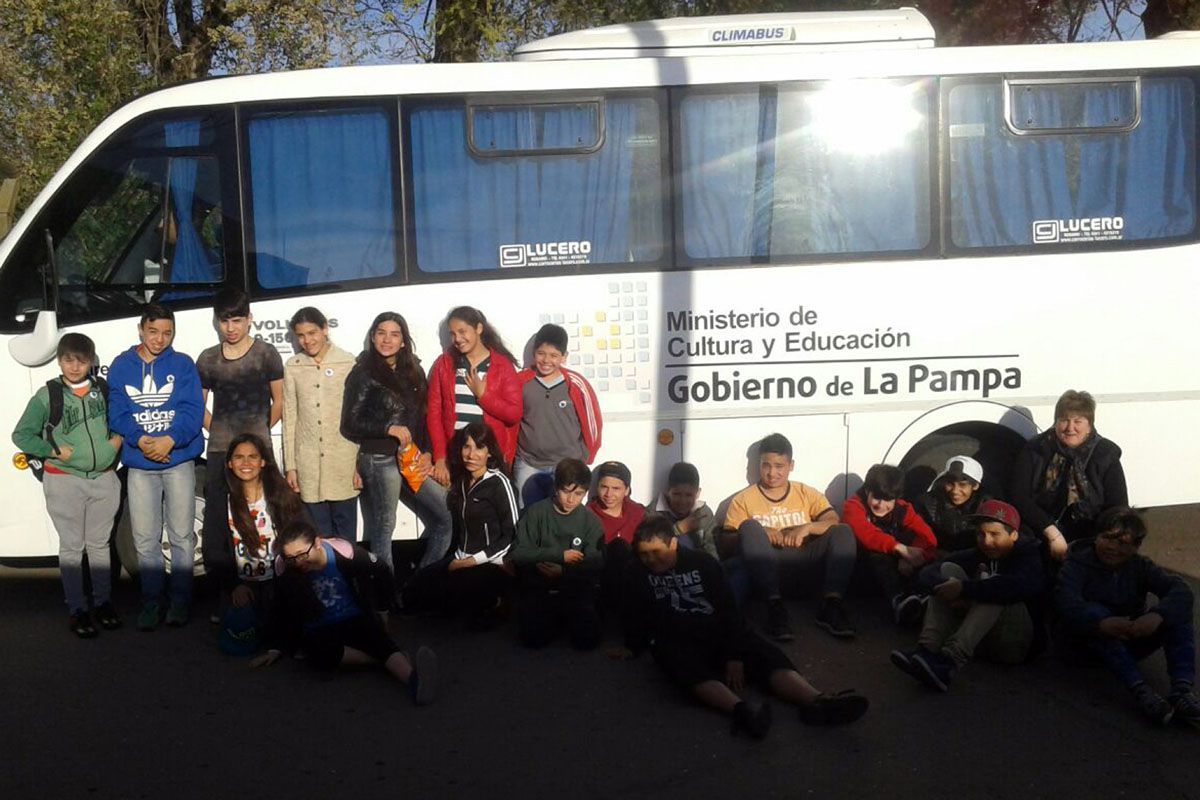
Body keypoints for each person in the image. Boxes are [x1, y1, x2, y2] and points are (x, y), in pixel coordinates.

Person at [611, 516, 869, 739]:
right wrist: (632, 646)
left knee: (765, 654)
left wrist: (733, 655)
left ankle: (818, 701)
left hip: (718, 630)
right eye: (644, 554)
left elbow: (728, 609)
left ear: (673, 544)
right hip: (677, 638)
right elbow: (634, 611)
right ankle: (743, 711)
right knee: (674, 660)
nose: (650, 560)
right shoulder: (636, 571)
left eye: (656, 552)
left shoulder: (703, 563)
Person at [250, 520, 438, 705]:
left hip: (353, 616)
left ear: (317, 542)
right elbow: (280, 606)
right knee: (315, 652)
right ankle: (381, 659)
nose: (298, 562)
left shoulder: (342, 552)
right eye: (291, 558)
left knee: (376, 637)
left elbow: (382, 570)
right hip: (318, 628)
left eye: (302, 554)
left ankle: (414, 682)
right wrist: (275, 647)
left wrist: (382, 609)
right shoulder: (284, 566)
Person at [11, 333, 122, 637]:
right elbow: (22, 435)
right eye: (68, 360)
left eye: (81, 361)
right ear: (59, 361)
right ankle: (77, 609)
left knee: (99, 545)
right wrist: (53, 451)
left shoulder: (103, 389)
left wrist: (116, 442)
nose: (74, 367)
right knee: (72, 548)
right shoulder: (48, 395)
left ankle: (103, 603)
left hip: (104, 478)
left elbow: (120, 420)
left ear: (90, 362)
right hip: (63, 480)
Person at [108, 303, 205, 630]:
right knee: (145, 539)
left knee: (182, 536)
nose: (159, 339)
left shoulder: (183, 364)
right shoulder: (122, 366)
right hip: (140, 465)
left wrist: (170, 440)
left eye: (167, 333)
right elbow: (117, 411)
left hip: (178, 461)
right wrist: (142, 440)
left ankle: (180, 602)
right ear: (140, 329)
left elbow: (192, 411)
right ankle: (151, 603)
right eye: (153, 331)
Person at [1055, 507, 1198, 727]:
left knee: (1177, 613)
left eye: (1123, 543)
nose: (1113, 547)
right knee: (1095, 611)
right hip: (1084, 643)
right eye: (1107, 538)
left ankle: (1182, 690)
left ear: (1135, 547)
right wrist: (1101, 623)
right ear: (1096, 537)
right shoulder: (1075, 565)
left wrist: (1158, 615)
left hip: (1128, 636)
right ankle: (1140, 690)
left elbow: (1180, 590)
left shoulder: (1140, 566)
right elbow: (1066, 603)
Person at [890, 500, 1043, 692]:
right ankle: (927, 650)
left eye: (995, 534)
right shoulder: (980, 553)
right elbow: (930, 572)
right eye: (981, 534)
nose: (986, 541)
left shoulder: (1029, 555)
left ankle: (950, 662)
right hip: (983, 640)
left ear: (1013, 535)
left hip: (1016, 642)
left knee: (994, 588)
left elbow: (1019, 587)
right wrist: (954, 590)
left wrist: (965, 590)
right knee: (948, 571)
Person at [720, 433, 858, 642]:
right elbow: (727, 543)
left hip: (806, 563)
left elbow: (832, 520)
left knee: (843, 530)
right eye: (766, 465)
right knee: (749, 526)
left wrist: (807, 528)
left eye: (779, 466)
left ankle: (831, 605)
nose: (772, 473)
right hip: (768, 569)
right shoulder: (743, 499)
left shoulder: (805, 492)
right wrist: (761, 532)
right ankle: (774, 609)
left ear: (791, 465)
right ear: (758, 465)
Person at [341, 312, 451, 573]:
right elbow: (350, 422)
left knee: (445, 518)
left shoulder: (414, 370)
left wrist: (428, 452)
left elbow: (425, 415)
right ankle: (385, 590)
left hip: (411, 458)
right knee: (384, 526)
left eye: (394, 334)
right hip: (379, 458)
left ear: (403, 340)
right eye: (381, 333)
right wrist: (387, 428)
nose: (387, 340)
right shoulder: (362, 372)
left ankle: (420, 583)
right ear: (372, 337)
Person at [196, 288, 284, 577]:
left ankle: (270, 576)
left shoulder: (266, 353)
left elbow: (280, 400)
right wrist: (221, 433)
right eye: (224, 321)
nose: (230, 328)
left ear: (249, 319)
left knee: (267, 512)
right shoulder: (208, 358)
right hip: (220, 450)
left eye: (236, 321)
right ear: (216, 322)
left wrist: (257, 436)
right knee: (217, 518)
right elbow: (199, 405)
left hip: (260, 451)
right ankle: (224, 584)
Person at [400, 423, 518, 627]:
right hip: (461, 557)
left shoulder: (500, 484)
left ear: (489, 452)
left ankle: (497, 602)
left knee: (461, 602)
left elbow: (512, 536)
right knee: (415, 590)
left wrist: (471, 561)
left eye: (479, 448)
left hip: (490, 563)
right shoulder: (462, 481)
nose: (471, 454)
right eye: (466, 447)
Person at [204, 433, 307, 644]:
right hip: (242, 583)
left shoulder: (280, 494)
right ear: (229, 463)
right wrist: (234, 585)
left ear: (263, 462)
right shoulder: (220, 500)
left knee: (288, 636)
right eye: (238, 457)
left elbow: (303, 534)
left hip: (278, 579)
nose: (246, 463)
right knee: (241, 637)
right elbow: (212, 550)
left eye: (252, 457)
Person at [1010, 390, 1128, 562]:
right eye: (1064, 420)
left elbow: (1118, 506)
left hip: (1091, 534)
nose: (1070, 428)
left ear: (1089, 426)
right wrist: (1051, 533)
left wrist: (1100, 541)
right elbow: (1019, 496)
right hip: (1043, 528)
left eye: (1077, 421)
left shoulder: (1105, 454)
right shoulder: (1036, 448)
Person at [282, 306, 360, 541]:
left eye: (312, 333)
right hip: (309, 467)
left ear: (325, 329)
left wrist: (359, 464)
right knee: (318, 538)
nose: (307, 341)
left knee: (346, 539)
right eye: (301, 335)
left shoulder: (348, 362)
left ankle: (348, 567)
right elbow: (290, 418)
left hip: (343, 463)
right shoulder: (294, 366)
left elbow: (358, 416)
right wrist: (291, 466)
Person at [511, 458, 604, 649]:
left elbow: (595, 563)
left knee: (587, 641)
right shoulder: (536, 512)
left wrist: (564, 572)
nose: (571, 499)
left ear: (586, 493)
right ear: (555, 487)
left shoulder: (590, 520)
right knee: (532, 639)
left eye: (578, 494)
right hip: (540, 586)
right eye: (566, 491)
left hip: (574, 588)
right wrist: (559, 556)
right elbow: (519, 553)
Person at [427, 306, 522, 486]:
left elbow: (514, 414)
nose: (457, 339)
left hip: (489, 458)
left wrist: (484, 396)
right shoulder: (444, 364)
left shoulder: (502, 365)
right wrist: (440, 457)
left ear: (478, 328)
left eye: (462, 331)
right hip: (456, 457)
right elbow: (434, 414)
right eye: (452, 334)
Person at [513, 323, 602, 508]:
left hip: (566, 465)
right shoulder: (521, 381)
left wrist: (585, 457)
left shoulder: (576, 384)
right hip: (529, 463)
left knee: (564, 513)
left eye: (554, 355)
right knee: (527, 513)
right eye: (541, 353)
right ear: (534, 353)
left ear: (564, 357)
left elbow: (593, 423)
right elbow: (508, 415)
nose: (546, 360)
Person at [843, 464, 937, 625]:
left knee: (918, 544)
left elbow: (929, 539)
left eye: (888, 500)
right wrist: (899, 549)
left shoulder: (903, 509)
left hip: (898, 566)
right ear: (867, 491)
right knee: (877, 553)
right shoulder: (853, 506)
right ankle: (899, 600)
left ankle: (918, 597)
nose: (881, 505)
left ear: (896, 498)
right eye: (876, 498)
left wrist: (908, 557)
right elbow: (867, 535)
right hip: (862, 569)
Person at [586, 460, 645, 610]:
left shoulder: (637, 512)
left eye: (616, 488)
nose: (608, 494)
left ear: (627, 490)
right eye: (604, 487)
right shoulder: (588, 515)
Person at [915, 455, 991, 555]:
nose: (955, 491)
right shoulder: (926, 504)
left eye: (962, 485)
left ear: (975, 485)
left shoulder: (987, 507)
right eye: (950, 484)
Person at [651, 462, 719, 559]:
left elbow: (712, 549)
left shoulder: (704, 513)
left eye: (689, 495)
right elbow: (650, 546)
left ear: (698, 493)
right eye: (677, 494)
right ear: (668, 491)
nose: (682, 501)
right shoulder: (654, 512)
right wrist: (679, 529)